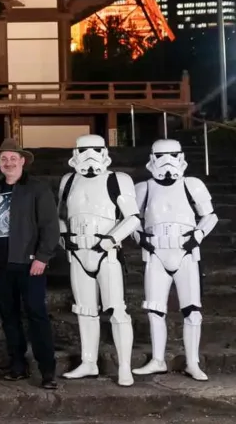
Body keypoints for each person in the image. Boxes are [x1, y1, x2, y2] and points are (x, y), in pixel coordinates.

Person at [132, 139, 218, 381]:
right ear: (152, 158)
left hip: (185, 252)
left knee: (192, 310)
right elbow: (132, 218)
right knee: (155, 309)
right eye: (161, 156)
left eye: (172, 155)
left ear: (180, 157)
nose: (167, 161)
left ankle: (193, 362)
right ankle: (158, 360)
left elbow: (210, 216)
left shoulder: (192, 185)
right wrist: (139, 237)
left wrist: (198, 235)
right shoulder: (144, 188)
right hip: (156, 253)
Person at [58, 135, 140, 386]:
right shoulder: (69, 180)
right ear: (75, 153)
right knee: (85, 310)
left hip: (106, 253)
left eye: (95, 150)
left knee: (117, 310)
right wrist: (64, 236)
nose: (90, 155)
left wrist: (109, 240)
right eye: (84, 150)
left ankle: (124, 367)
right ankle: (89, 362)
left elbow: (133, 218)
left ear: (104, 152)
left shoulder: (118, 179)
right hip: (78, 252)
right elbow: (59, 214)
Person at [0, 138, 59, 390]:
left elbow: (50, 226)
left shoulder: (37, 189)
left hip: (29, 263)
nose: (8, 162)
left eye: (12, 158)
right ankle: (17, 365)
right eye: (3, 158)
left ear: (22, 161)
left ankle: (47, 370)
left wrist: (42, 257)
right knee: (9, 316)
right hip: (1, 262)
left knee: (36, 315)